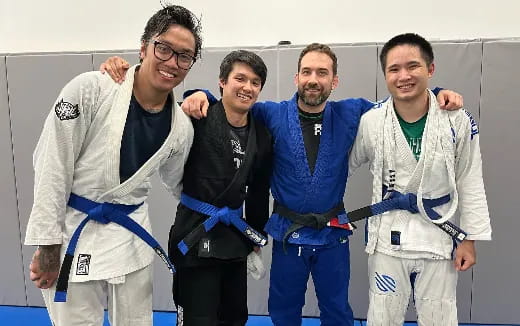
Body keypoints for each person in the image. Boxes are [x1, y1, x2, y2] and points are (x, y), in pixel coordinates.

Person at [179, 43, 464, 326]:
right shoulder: (271, 114)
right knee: (283, 310)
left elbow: (398, 105)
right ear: (297, 78)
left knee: (337, 310)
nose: (313, 79)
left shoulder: (352, 113)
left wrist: (436, 94)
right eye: (307, 72)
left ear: (334, 80)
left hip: (332, 234)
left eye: (322, 73)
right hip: (289, 235)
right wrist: (199, 95)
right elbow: (233, 104)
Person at [24, 5, 201, 326]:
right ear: (144, 47)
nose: (172, 62)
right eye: (164, 48)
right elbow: (52, 167)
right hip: (75, 233)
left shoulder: (181, 127)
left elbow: (183, 187)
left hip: (131, 239)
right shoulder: (90, 89)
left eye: (184, 56)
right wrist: (47, 244)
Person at [102, 50, 272, 326]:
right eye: (240, 78)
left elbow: (258, 191)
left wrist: (256, 238)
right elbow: (151, 109)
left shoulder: (261, 135)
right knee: (197, 319)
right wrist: (123, 75)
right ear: (222, 82)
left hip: (234, 238)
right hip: (195, 234)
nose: (247, 87)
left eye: (255, 82)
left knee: (235, 317)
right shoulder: (196, 116)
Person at [348, 33, 491, 326]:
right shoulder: (372, 121)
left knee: (439, 315)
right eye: (394, 69)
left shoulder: (457, 120)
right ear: (385, 74)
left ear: (430, 69)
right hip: (388, 237)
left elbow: (470, 180)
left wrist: (470, 239)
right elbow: (345, 167)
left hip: (439, 232)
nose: (403, 76)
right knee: (382, 315)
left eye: (413, 66)